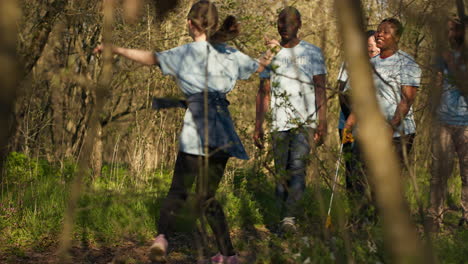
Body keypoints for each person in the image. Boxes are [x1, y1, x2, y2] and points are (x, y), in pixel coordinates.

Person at [94, 1, 274, 263]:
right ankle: (228, 254)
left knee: (179, 189)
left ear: (190, 23)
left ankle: (162, 238)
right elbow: (260, 68)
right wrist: (269, 53)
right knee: (206, 196)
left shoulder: (185, 54)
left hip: (197, 130)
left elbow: (150, 58)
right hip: (223, 131)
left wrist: (117, 49)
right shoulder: (230, 54)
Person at [254, 6, 327, 232]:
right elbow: (263, 91)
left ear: (299, 25)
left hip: (305, 122)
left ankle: (289, 218)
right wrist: (258, 124)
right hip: (279, 122)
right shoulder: (271, 55)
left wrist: (322, 122)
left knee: (297, 168)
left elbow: (321, 88)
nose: (284, 27)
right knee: (281, 171)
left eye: (290, 22)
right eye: (281, 22)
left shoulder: (313, 53)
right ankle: (279, 217)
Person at [428, 17, 468, 229]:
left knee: (467, 173)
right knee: (438, 172)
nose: (448, 33)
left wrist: (450, 62)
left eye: (452, 29)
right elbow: (437, 82)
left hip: (465, 122)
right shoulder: (441, 56)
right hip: (442, 121)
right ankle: (435, 217)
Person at [337, 30, 380, 196]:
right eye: (369, 45)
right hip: (346, 123)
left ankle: (371, 206)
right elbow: (341, 92)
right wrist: (351, 118)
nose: (373, 49)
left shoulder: (383, 65)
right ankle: (352, 203)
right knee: (350, 165)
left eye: (375, 45)